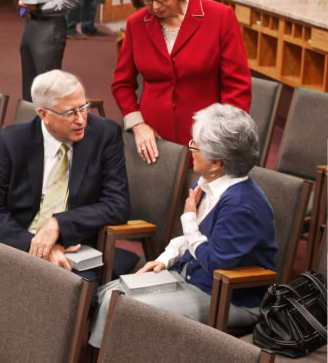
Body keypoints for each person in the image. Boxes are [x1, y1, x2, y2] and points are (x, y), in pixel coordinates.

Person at [0, 70, 132, 335]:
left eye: (84, 107)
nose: (81, 120)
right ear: (43, 114)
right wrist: (36, 246)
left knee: (81, 296)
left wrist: (59, 225)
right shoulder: (13, 140)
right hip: (17, 233)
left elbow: (118, 204)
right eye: (70, 112)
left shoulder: (105, 134)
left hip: (75, 243)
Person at [88, 103, 276, 347]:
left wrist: (188, 219)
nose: (191, 151)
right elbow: (197, 239)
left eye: (195, 146)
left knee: (123, 308)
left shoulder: (241, 205)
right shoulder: (209, 181)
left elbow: (215, 263)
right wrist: (166, 258)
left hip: (229, 298)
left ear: (217, 162)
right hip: (192, 278)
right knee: (105, 294)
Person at [111, 0, 251, 164]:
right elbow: (122, 84)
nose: (155, 6)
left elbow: (237, 86)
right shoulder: (136, 24)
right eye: (147, 0)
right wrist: (138, 124)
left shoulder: (220, 17)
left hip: (206, 140)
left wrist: (221, 137)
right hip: (152, 140)